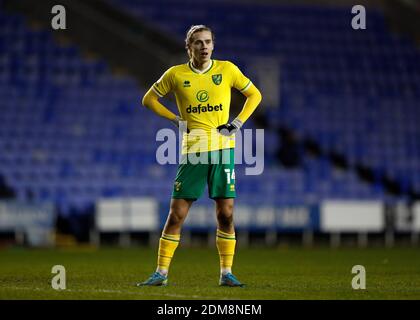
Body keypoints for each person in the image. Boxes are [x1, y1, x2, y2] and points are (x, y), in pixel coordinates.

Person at [138, 25, 262, 287]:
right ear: (189, 47)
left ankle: (226, 273)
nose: (204, 47)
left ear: (213, 46)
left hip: (222, 150)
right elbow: (148, 99)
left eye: (208, 42)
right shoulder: (175, 74)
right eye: (198, 43)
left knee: (226, 214)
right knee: (177, 214)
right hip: (193, 151)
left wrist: (237, 123)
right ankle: (161, 273)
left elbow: (255, 94)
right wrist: (175, 120)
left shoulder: (227, 69)